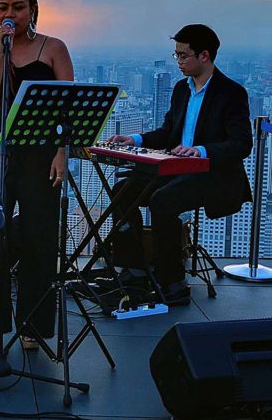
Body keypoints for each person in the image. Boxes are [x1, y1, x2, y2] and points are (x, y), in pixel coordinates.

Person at [0, 0, 75, 350]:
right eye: (2, 8)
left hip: (43, 149)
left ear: (33, 10)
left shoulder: (53, 48)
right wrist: (1, 52)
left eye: (18, 7)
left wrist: (62, 153)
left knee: (38, 236)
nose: (9, 14)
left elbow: (69, 108)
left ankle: (34, 324)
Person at [108, 24, 252, 305]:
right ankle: (134, 269)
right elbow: (167, 133)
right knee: (122, 190)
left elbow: (241, 144)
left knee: (164, 201)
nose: (179, 62)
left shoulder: (231, 93)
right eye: (176, 55)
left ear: (205, 56)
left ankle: (172, 281)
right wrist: (134, 139)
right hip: (175, 168)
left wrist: (200, 150)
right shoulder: (181, 90)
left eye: (183, 55)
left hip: (212, 174)